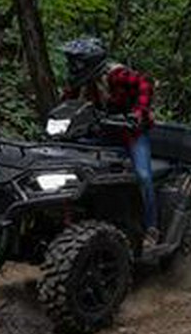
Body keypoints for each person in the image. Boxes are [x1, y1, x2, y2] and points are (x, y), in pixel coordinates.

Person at [61, 37, 159, 249]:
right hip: (103, 131)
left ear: (90, 61)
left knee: (143, 175)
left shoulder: (116, 75)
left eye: (76, 62)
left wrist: (139, 113)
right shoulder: (81, 81)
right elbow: (67, 102)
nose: (72, 67)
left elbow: (144, 83)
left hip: (131, 133)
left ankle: (152, 228)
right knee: (70, 164)